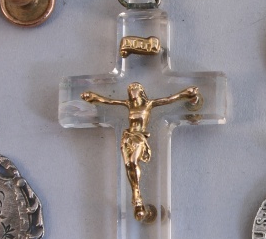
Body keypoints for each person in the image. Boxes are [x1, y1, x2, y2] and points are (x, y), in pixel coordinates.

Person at [81, 82, 200, 222]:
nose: (131, 92)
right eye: (130, 90)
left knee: (133, 162)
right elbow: (108, 101)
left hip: (139, 137)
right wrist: (93, 97)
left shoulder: (149, 104)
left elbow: (169, 99)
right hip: (128, 137)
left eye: (134, 89)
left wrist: (186, 93)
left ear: (141, 91)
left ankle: (136, 195)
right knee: (128, 165)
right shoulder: (128, 104)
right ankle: (136, 195)